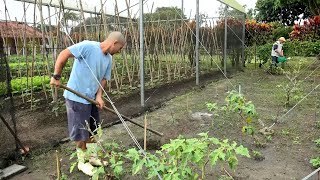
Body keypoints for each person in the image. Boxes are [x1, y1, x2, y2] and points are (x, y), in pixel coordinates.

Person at [50, 31, 126, 176]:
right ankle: (82, 162)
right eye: (120, 48)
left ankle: (92, 158)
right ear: (114, 43)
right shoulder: (88, 46)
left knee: (92, 129)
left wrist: (99, 96)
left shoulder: (108, 59)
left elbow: (104, 78)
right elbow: (64, 54)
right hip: (76, 97)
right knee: (80, 133)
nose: (120, 51)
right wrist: (56, 76)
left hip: (91, 98)